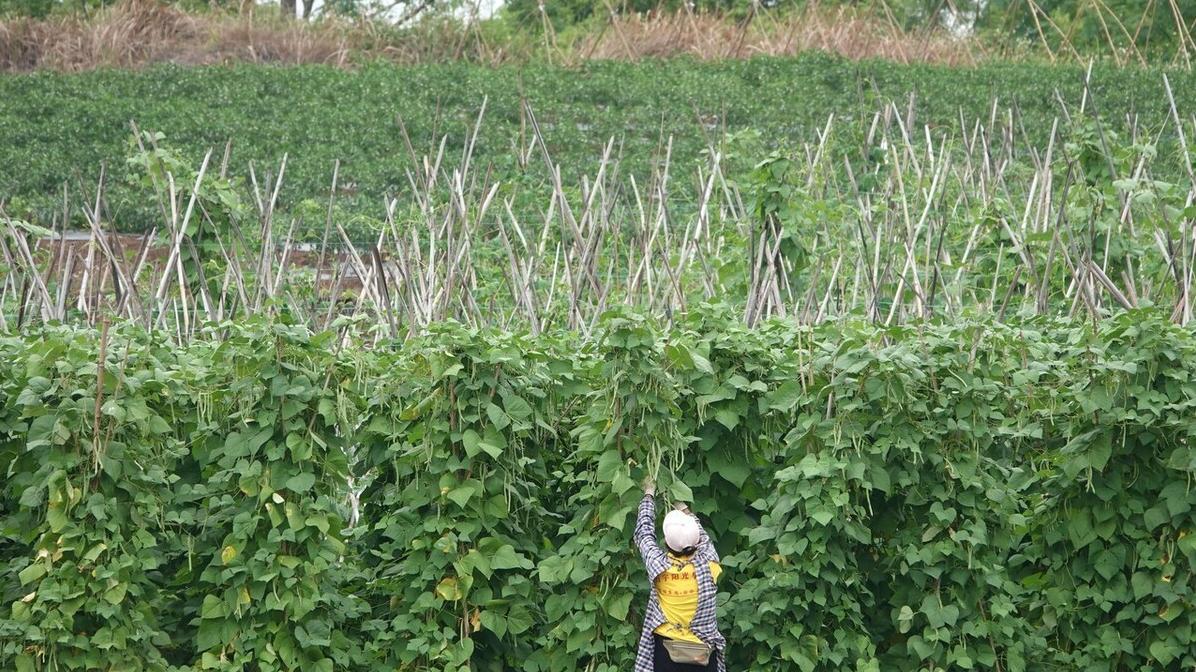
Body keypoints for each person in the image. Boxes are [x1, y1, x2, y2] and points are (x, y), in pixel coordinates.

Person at [633, 479, 727, 672]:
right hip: (702, 653)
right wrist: (682, 506)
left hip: (667, 651)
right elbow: (703, 537)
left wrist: (649, 493)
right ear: (697, 541)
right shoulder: (709, 562)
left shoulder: (658, 566)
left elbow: (643, 534)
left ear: (666, 543)